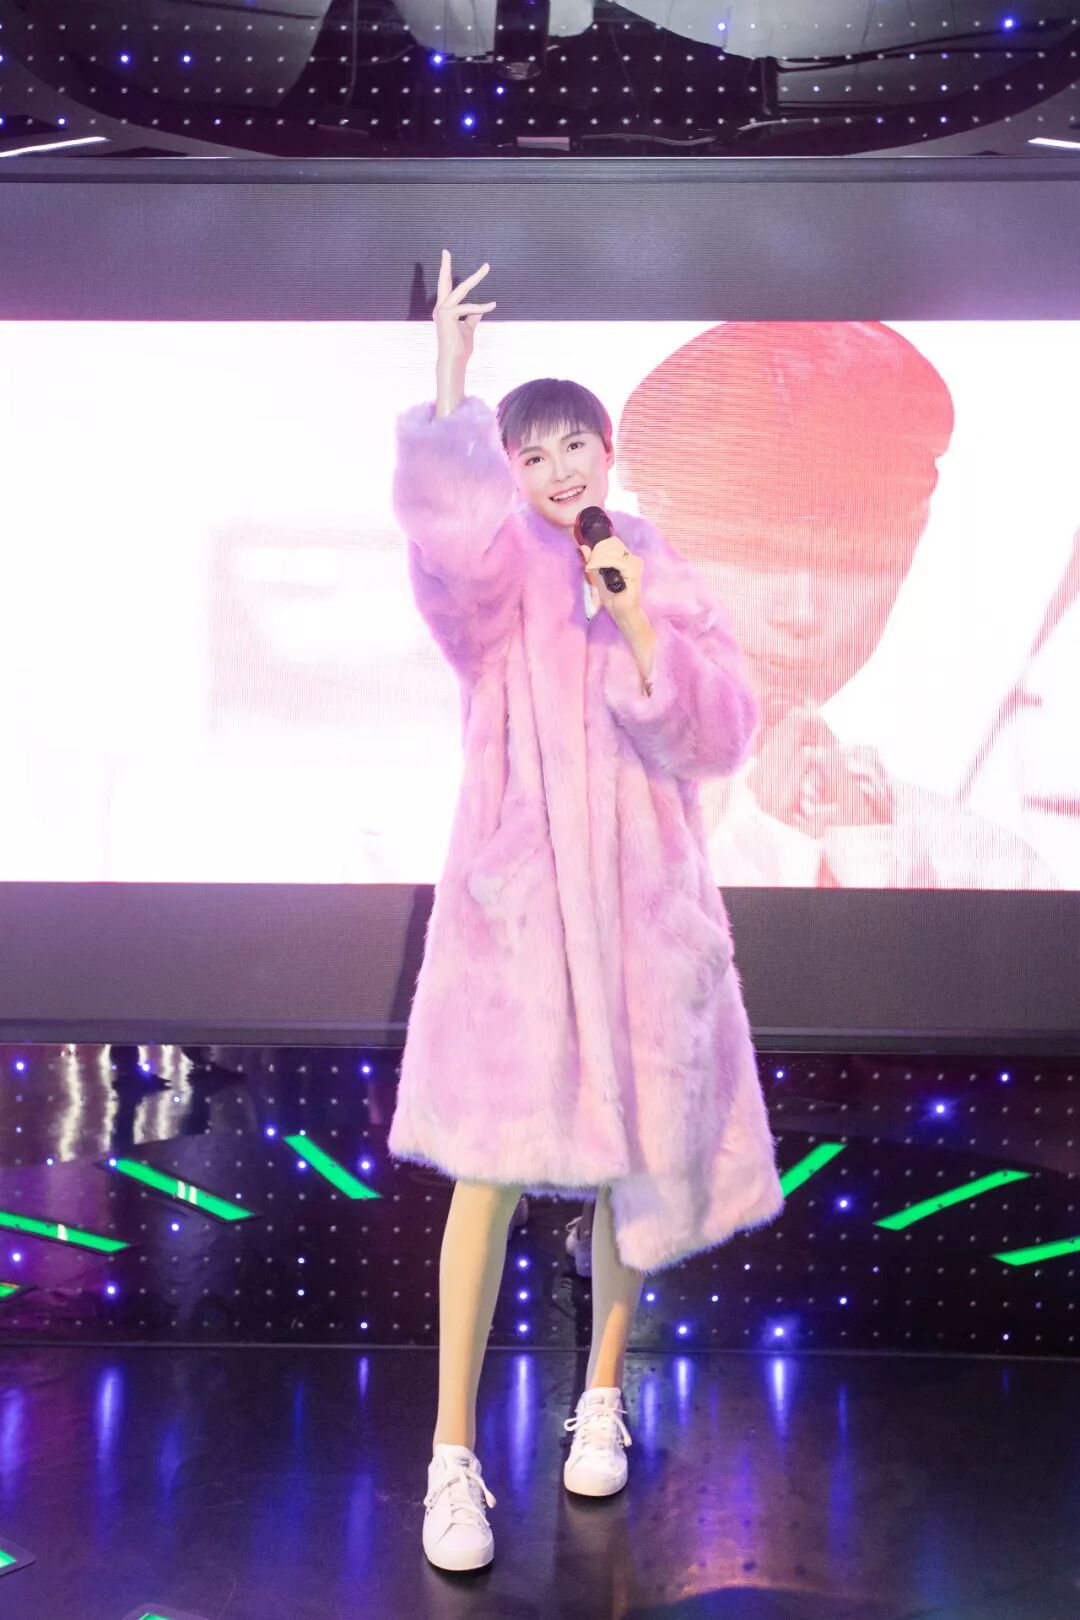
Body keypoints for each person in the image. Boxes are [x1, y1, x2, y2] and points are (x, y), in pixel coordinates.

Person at [387, 250, 784, 1573]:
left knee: (638, 1164)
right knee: (485, 1173)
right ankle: (450, 1458)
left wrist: (640, 628)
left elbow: (719, 731)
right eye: (532, 452)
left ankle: (602, 1391)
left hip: (644, 917)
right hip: (519, 918)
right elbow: (447, 561)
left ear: (608, 454)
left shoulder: (651, 565)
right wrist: (451, 392)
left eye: (575, 447)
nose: (559, 471)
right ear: (509, 470)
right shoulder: (498, 569)